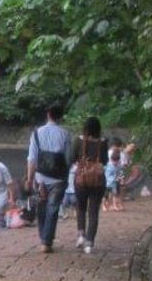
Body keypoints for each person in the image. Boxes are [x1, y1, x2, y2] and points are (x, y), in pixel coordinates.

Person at [25, 105, 73, 253]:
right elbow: (68, 159)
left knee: (41, 208)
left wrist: (29, 179)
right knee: (53, 208)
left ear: (48, 114)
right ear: (60, 117)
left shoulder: (37, 133)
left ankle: (43, 238)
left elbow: (32, 159)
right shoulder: (65, 134)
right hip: (59, 179)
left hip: (41, 179)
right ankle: (47, 242)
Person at [71, 117, 108, 254]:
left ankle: (81, 235)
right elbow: (104, 161)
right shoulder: (103, 143)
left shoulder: (78, 141)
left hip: (81, 180)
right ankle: (89, 243)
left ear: (85, 128)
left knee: (80, 207)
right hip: (98, 181)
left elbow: (71, 158)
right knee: (93, 212)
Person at [104, 147, 124, 212]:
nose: (115, 162)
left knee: (115, 194)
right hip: (107, 183)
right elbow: (107, 175)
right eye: (114, 161)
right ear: (111, 160)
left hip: (114, 183)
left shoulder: (118, 165)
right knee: (106, 196)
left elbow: (120, 172)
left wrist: (121, 179)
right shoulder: (108, 165)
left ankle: (114, 206)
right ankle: (105, 206)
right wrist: (114, 178)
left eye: (117, 161)